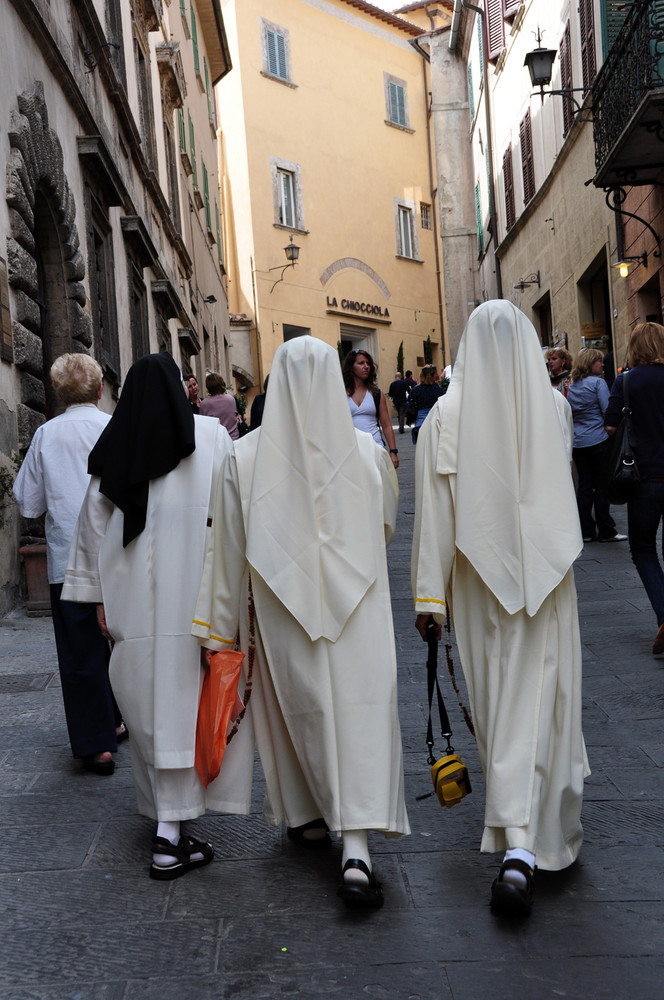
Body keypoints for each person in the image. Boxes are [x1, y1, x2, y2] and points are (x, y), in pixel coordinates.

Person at [193, 336, 409, 908]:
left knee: (299, 711)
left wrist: (218, 632)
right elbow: (387, 524)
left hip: (280, 609)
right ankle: (357, 847)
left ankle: (312, 817)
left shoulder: (242, 457)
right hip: (359, 608)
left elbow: (228, 551)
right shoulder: (364, 451)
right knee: (360, 716)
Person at [411, 300, 588, 917]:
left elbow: (434, 514)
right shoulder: (556, 408)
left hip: (478, 586)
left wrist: (430, 597)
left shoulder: (443, 419)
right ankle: (539, 838)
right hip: (548, 586)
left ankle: (517, 843)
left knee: (502, 709)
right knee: (547, 704)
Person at [62, 353, 254, 879]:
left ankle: (169, 826)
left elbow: (91, 532)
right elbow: (236, 513)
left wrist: (97, 597)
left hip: (135, 607)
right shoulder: (212, 439)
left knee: (149, 707)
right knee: (187, 705)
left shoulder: (116, 448)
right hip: (198, 601)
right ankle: (170, 835)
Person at [13, 353, 124, 776]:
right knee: (122, 643)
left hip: (68, 561)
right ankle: (120, 717)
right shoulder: (114, 427)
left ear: (59, 394)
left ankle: (98, 744)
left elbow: (28, 502)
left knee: (81, 651)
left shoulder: (46, 434)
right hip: (118, 556)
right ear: (100, 390)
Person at [605, 322, 664, 656]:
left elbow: (611, 426)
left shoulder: (626, 381)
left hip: (643, 478)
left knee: (642, 548)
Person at [566, 348, 626, 544]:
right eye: (599, 362)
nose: (603, 364)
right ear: (591, 363)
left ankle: (586, 530)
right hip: (598, 440)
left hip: (579, 442)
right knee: (602, 485)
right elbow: (607, 410)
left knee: (584, 486)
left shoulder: (573, 386)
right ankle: (606, 529)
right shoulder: (598, 383)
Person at [342, 348, 399, 469]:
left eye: (368, 363)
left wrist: (393, 451)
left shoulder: (376, 394)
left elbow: (387, 425)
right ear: (351, 367)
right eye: (361, 363)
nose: (366, 366)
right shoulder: (341, 393)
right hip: (351, 450)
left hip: (375, 448)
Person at [407, 365, 445, 444]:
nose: (437, 375)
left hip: (420, 422)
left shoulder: (415, 390)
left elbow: (409, 401)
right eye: (436, 374)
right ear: (431, 376)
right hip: (436, 421)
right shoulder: (439, 390)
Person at [200, 372, 240, 440]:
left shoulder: (205, 404)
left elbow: (203, 424)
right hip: (233, 439)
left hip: (216, 441)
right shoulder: (231, 399)